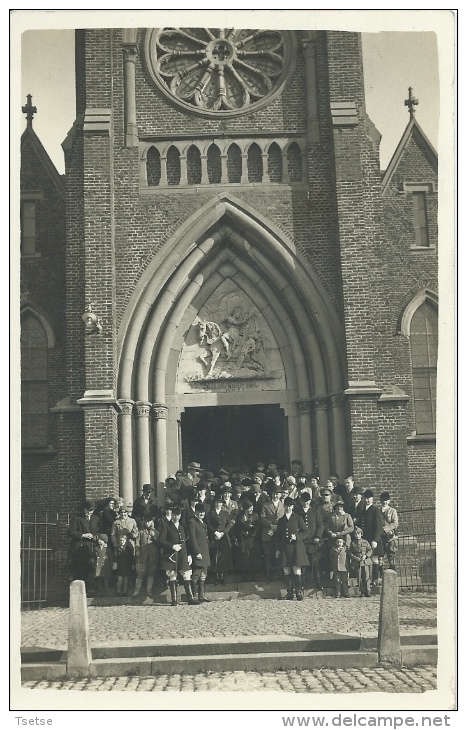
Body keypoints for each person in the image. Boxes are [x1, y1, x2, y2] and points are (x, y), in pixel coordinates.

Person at [158, 505, 198, 606]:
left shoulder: (182, 527)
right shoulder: (166, 526)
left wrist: (189, 554)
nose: (176, 517)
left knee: (186, 574)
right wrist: (172, 546)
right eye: (174, 515)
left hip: (183, 554)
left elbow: (187, 542)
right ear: (171, 515)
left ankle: (190, 598)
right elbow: (161, 540)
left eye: (178, 515)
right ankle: (174, 599)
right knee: (172, 575)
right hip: (171, 554)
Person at [275, 496, 308, 601]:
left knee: (296, 569)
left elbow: (305, 532)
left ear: (293, 507)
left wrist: (297, 537)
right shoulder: (281, 520)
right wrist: (278, 549)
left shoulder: (298, 518)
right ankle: (289, 592)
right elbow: (279, 536)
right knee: (286, 570)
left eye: (290, 506)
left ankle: (298, 592)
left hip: (296, 547)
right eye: (286, 506)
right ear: (284, 506)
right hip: (285, 548)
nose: (288, 508)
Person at [68, 499, 100, 592]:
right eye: (88, 510)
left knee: (90, 570)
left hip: (91, 548)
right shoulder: (77, 518)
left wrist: (95, 536)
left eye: (92, 510)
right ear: (84, 509)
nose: (90, 512)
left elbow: (99, 531)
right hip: (79, 548)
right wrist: (83, 535)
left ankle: (89, 590)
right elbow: (71, 532)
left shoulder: (96, 519)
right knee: (79, 570)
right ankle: (79, 592)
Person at [296, 492, 323, 590]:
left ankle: (318, 583)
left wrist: (318, 537)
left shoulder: (315, 512)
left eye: (307, 501)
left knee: (315, 564)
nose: (306, 503)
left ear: (310, 501)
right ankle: (302, 584)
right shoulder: (297, 512)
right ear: (300, 501)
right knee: (302, 564)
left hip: (313, 542)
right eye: (304, 501)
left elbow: (320, 526)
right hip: (302, 543)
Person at [259, 485, 285, 581]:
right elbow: (262, 518)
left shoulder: (283, 505)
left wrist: (278, 527)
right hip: (268, 532)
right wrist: (271, 525)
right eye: (274, 494)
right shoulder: (266, 505)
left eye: (277, 494)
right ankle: (268, 574)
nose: (276, 496)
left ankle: (279, 574)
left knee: (279, 553)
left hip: (279, 533)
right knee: (268, 554)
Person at [206, 494, 233, 584]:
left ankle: (222, 576)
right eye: (217, 503)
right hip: (214, 537)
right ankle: (215, 576)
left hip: (223, 537)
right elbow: (208, 525)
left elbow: (229, 524)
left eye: (220, 503)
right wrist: (215, 532)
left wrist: (223, 532)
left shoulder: (224, 513)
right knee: (214, 556)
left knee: (223, 557)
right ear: (214, 504)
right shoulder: (210, 513)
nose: (218, 504)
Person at [360, 489, 385, 587]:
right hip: (365, 539)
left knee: (375, 559)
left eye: (369, 498)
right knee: (366, 559)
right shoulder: (362, 511)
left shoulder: (375, 510)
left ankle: (375, 579)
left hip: (373, 539)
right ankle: (366, 580)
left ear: (372, 499)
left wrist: (375, 540)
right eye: (366, 498)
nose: (367, 500)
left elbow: (379, 527)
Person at [231, 500, 261, 581]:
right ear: (245, 509)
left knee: (252, 556)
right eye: (249, 508)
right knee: (243, 557)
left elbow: (257, 527)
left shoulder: (255, 516)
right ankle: (244, 575)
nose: (251, 509)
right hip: (242, 538)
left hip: (251, 539)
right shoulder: (239, 516)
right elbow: (236, 527)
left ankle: (252, 575)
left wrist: (251, 532)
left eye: (252, 507)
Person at [188, 502, 211, 602]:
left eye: (203, 512)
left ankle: (201, 596)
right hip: (198, 552)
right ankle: (193, 596)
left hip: (205, 551)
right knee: (196, 574)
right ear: (195, 512)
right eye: (200, 512)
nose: (202, 514)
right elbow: (192, 538)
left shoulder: (203, 523)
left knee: (203, 574)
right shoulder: (192, 522)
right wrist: (197, 552)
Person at [133, 515, 159, 603]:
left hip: (152, 556)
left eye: (149, 521)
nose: (148, 523)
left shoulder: (156, 532)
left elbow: (159, 543)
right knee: (140, 573)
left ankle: (149, 591)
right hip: (143, 556)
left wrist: (154, 536)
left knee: (151, 574)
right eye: (146, 522)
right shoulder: (141, 532)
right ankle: (136, 591)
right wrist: (137, 551)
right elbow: (137, 543)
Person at [348, 526, 372, 597]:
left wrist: (366, 556)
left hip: (365, 561)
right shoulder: (352, 543)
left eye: (359, 534)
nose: (357, 535)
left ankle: (368, 590)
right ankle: (362, 591)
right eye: (356, 534)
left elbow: (370, 550)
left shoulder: (365, 542)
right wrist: (355, 558)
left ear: (361, 534)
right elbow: (350, 553)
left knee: (366, 576)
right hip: (357, 562)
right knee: (359, 577)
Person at [379, 491, 399, 571]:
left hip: (391, 537)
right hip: (381, 538)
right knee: (380, 557)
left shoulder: (392, 511)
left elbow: (395, 523)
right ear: (380, 501)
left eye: (386, 500)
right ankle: (380, 576)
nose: (385, 502)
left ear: (389, 501)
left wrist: (384, 529)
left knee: (391, 556)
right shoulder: (378, 511)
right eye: (383, 500)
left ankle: (392, 576)